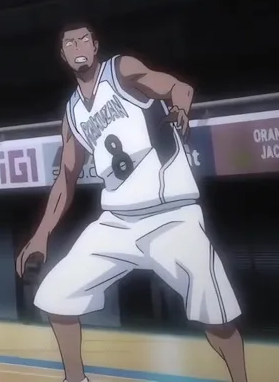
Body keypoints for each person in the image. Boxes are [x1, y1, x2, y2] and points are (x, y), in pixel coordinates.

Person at [17, 24, 247, 382]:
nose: (77, 46)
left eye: (83, 39)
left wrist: (180, 108)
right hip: (118, 221)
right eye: (69, 43)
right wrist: (41, 235)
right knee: (54, 296)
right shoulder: (73, 113)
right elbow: (66, 178)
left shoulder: (121, 70)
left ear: (95, 46)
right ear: (63, 55)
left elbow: (179, 87)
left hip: (171, 215)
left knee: (217, 318)